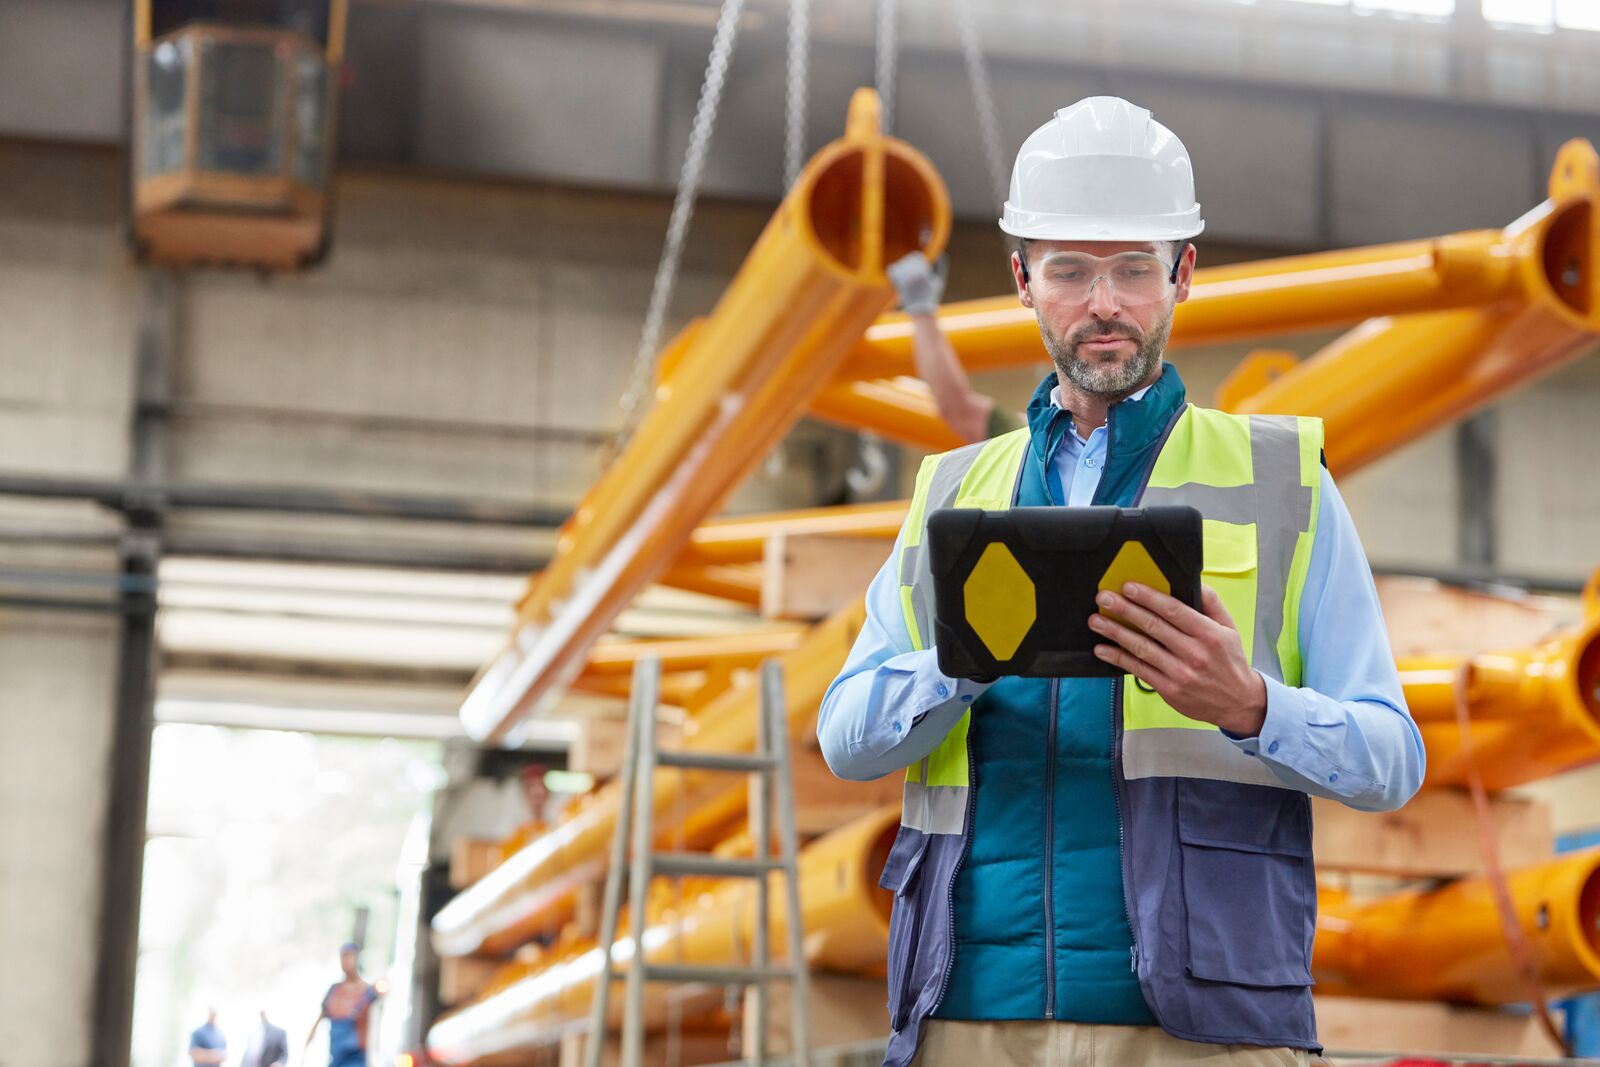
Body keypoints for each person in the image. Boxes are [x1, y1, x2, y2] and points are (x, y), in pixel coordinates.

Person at [818, 96, 1425, 1067]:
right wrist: (958, 665)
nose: (1103, 303)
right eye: (1069, 270)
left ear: (1182, 271)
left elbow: (1393, 758)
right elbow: (845, 737)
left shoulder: (1286, 480)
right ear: (1022, 277)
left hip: (1207, 1024)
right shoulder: (951, 491)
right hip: (970, 1012)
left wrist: (1249, 703)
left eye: (1133, 268)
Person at [886, 251, 1025, 444]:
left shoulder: (1039, 442)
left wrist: (921, 308)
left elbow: (960, 410)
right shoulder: (1040, 439)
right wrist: (922, 309)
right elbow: (959, 409)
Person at [305, 943, 383, 1067]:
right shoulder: (334, 991)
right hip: (336, 1058)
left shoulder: (367, 992)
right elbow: (318, 1020)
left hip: (356, 1058)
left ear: (356, 958)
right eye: (342, 957)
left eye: (348, 956)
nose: (344, 961)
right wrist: (305, 1048)